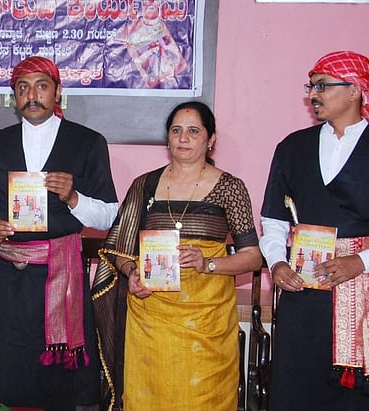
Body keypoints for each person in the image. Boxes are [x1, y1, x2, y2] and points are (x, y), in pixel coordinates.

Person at [259, 51, 369, 410]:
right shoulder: (293, 147)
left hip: (366, 289)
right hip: (303, 291)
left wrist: (361, 261)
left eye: (323, 86)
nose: (313, 94)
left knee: (361, 398)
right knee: (298, 390)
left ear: (355, 91)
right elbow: (273, 219)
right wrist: (277, 263)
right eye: (311, 86)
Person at [0, 56, 118, 410]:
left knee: (59, 380)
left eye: (41, 86)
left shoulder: (88, 142)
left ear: (58, 92)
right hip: (11, 278)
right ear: (14, 97)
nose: (32, 95)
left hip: (64, 274)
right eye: (23, 88)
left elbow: (110, 214)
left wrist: (74, 197)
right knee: (7, 369)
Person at [92, 101, 262, 410]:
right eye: (176, 131)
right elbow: (120, 251)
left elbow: (252, 257)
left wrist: (207, 262)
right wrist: (132, 274)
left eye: (193, 131)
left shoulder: (230, 188)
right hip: (150, 322)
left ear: (210, 140)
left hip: (206, 325)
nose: (183, 138)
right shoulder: (145, 186)